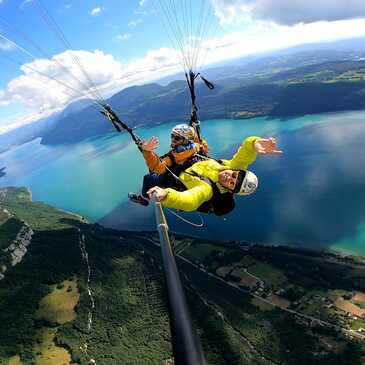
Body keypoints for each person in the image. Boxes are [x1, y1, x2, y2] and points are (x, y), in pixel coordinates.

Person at [146, 136, 283, 216]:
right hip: (195, 162)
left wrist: (166, 195)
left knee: (151, 178)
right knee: (192, 138)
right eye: (234, 175)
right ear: (237, 170)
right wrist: (255, 142)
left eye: (231, 183)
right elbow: (244, 155)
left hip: (177, 174)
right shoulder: (232, 167)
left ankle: (144, 197)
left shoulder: (207, 189)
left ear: (229, 190)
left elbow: (190, 200)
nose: (229, 177)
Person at [128, 124, 209, 206]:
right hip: (191, 176)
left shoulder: (174, 158)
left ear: (185, 141)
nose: (173, 139)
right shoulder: (198, 147)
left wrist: (147, 152)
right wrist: (193, 129)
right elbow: (201, 143)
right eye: (172, 136)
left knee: (148, 178)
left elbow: (157, 167)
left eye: (177, 138)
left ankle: (144, 199)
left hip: (175, 182)